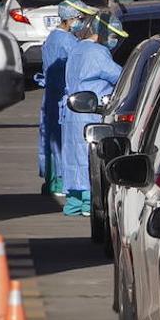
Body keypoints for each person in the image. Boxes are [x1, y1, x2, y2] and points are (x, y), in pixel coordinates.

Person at [60, 13, 124, 217]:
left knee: (73, 157)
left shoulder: (77, 48)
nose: (115, 41)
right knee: (89, 157)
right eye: (113, 36)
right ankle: (89, 200)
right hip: (90, 111)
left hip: (73, 112)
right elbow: (117, 75)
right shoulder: (97, 52)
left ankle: (74, 202)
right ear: (102, 33)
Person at [36, 0, 88, 196]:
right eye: (80, 18)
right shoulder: (67, 41)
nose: (81, 22)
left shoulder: (52, 38)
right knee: (63, 142)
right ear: (69, 18)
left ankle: (51, 181)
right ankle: (60, 182)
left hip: (52, 95)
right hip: (63, 98)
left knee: (50, 140)